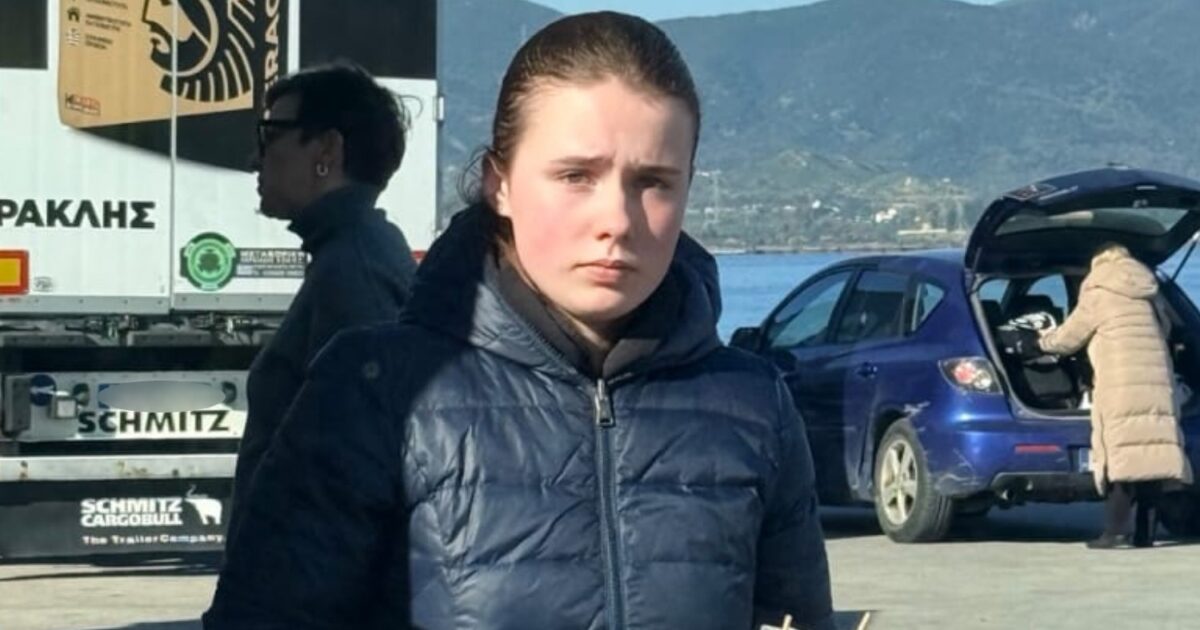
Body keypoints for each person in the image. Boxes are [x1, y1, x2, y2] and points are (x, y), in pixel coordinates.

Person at [204, 12, 834, 629]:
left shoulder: (754, 407)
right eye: (576, 175)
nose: (617, 220)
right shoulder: (377, 391)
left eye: (654, 182)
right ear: (498, 183)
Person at [229, 63, 418, 537]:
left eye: (271, 136)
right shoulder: (352, 252)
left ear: (327, 151)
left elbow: (358, 473)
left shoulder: (354, 271)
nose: (254, 160)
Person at [1039, 243, 1192, 549]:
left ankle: (1115, 532)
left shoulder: (1098, 291)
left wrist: (1042, 342)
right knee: (1152, 454)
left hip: (1119, 382)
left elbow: (1070, 338)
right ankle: (1145, 534)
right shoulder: (1148, 292)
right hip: (1157, 378)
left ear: (1099, 265)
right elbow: (1164, 330)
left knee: (1119, 455)